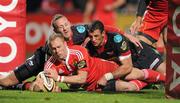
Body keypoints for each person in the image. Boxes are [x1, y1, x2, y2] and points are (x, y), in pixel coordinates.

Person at [0, 14, 141, 88]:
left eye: (67, 24)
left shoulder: (78, 32)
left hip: (56, 70)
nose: (65, 28)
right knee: (7, 81)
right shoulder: (52, 45)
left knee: (43, 88)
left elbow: (100, 28)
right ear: (55, 31)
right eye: (61, 27)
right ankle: (13, 84)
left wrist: (124, 34)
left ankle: (18, 86)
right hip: (40, 62)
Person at [43, 32, 141, 92]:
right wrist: (51, 87)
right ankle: (145, 84)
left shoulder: (78, 52)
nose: (57, 51)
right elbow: (40, 83)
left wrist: (59, 78)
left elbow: (82, 78)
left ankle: (152, 79)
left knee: (137, 74)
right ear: (50, 50)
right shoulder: (50, 65)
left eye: (59, 47)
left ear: (65, 44)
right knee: (129, 87)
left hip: (105, 68)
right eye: (53, 49)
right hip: (95, 85)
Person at [83, 20, 165, 87]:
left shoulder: (116, 40)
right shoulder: (90, 46)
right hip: (129, 63)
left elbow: (127, 67)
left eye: (96, 36)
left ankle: (159, 80)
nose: (93, 39)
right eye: (91, 36)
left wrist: (106, 77)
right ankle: (150, 82)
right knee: (130, 76)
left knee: (168, 77)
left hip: (143, 55)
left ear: (103, 33)